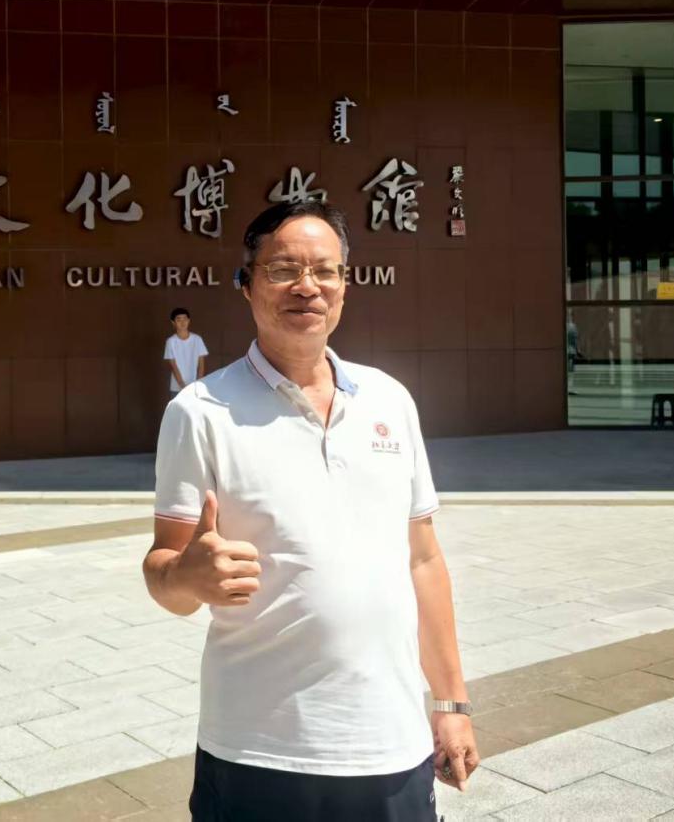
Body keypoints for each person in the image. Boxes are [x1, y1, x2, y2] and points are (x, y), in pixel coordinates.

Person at [144, 200, 477, 821]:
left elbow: (423, 561)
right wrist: (186, 576)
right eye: (282, 270)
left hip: (392, 744)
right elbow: (165, 570)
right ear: (246, 285)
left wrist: (451, 704)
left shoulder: (389, 399)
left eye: (325, 271)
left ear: (345, 286)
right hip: (257, 749)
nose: (307, 286)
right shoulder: (199, 411)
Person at [164, 307, 209, 396]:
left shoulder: (197, 339)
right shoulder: (171, 341)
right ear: (173, 322)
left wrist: (198, 384)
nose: (182, 322)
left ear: (189, 321)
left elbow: (201, 364)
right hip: (177, 387)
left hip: (195, 387)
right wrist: (183, 386)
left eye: (185, 319)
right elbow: (173, 366)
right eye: (179, 320)